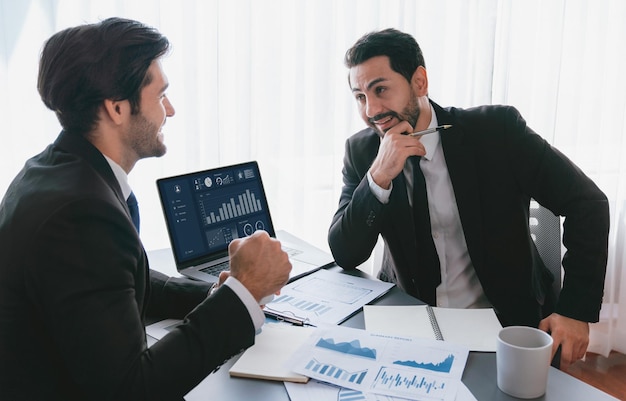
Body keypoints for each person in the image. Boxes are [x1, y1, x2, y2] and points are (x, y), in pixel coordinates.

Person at [0, 17, 291, 400]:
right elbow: (132, 389)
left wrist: (220, 294)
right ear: (117, 108)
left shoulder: (55, 168)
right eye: (160, 95)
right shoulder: (81, 212)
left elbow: (116, 277)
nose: (169, 110)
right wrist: (242, 293)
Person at [328, 28, 609, 370]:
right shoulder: (363, 152)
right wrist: (379, 176)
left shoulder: (496, 132)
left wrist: (574, 311)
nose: (371, 109)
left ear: (419, 82)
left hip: (504, 324)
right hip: (413, 324)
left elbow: (588, 204)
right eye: (360, 96)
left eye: (380, 90)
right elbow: (345, 253)